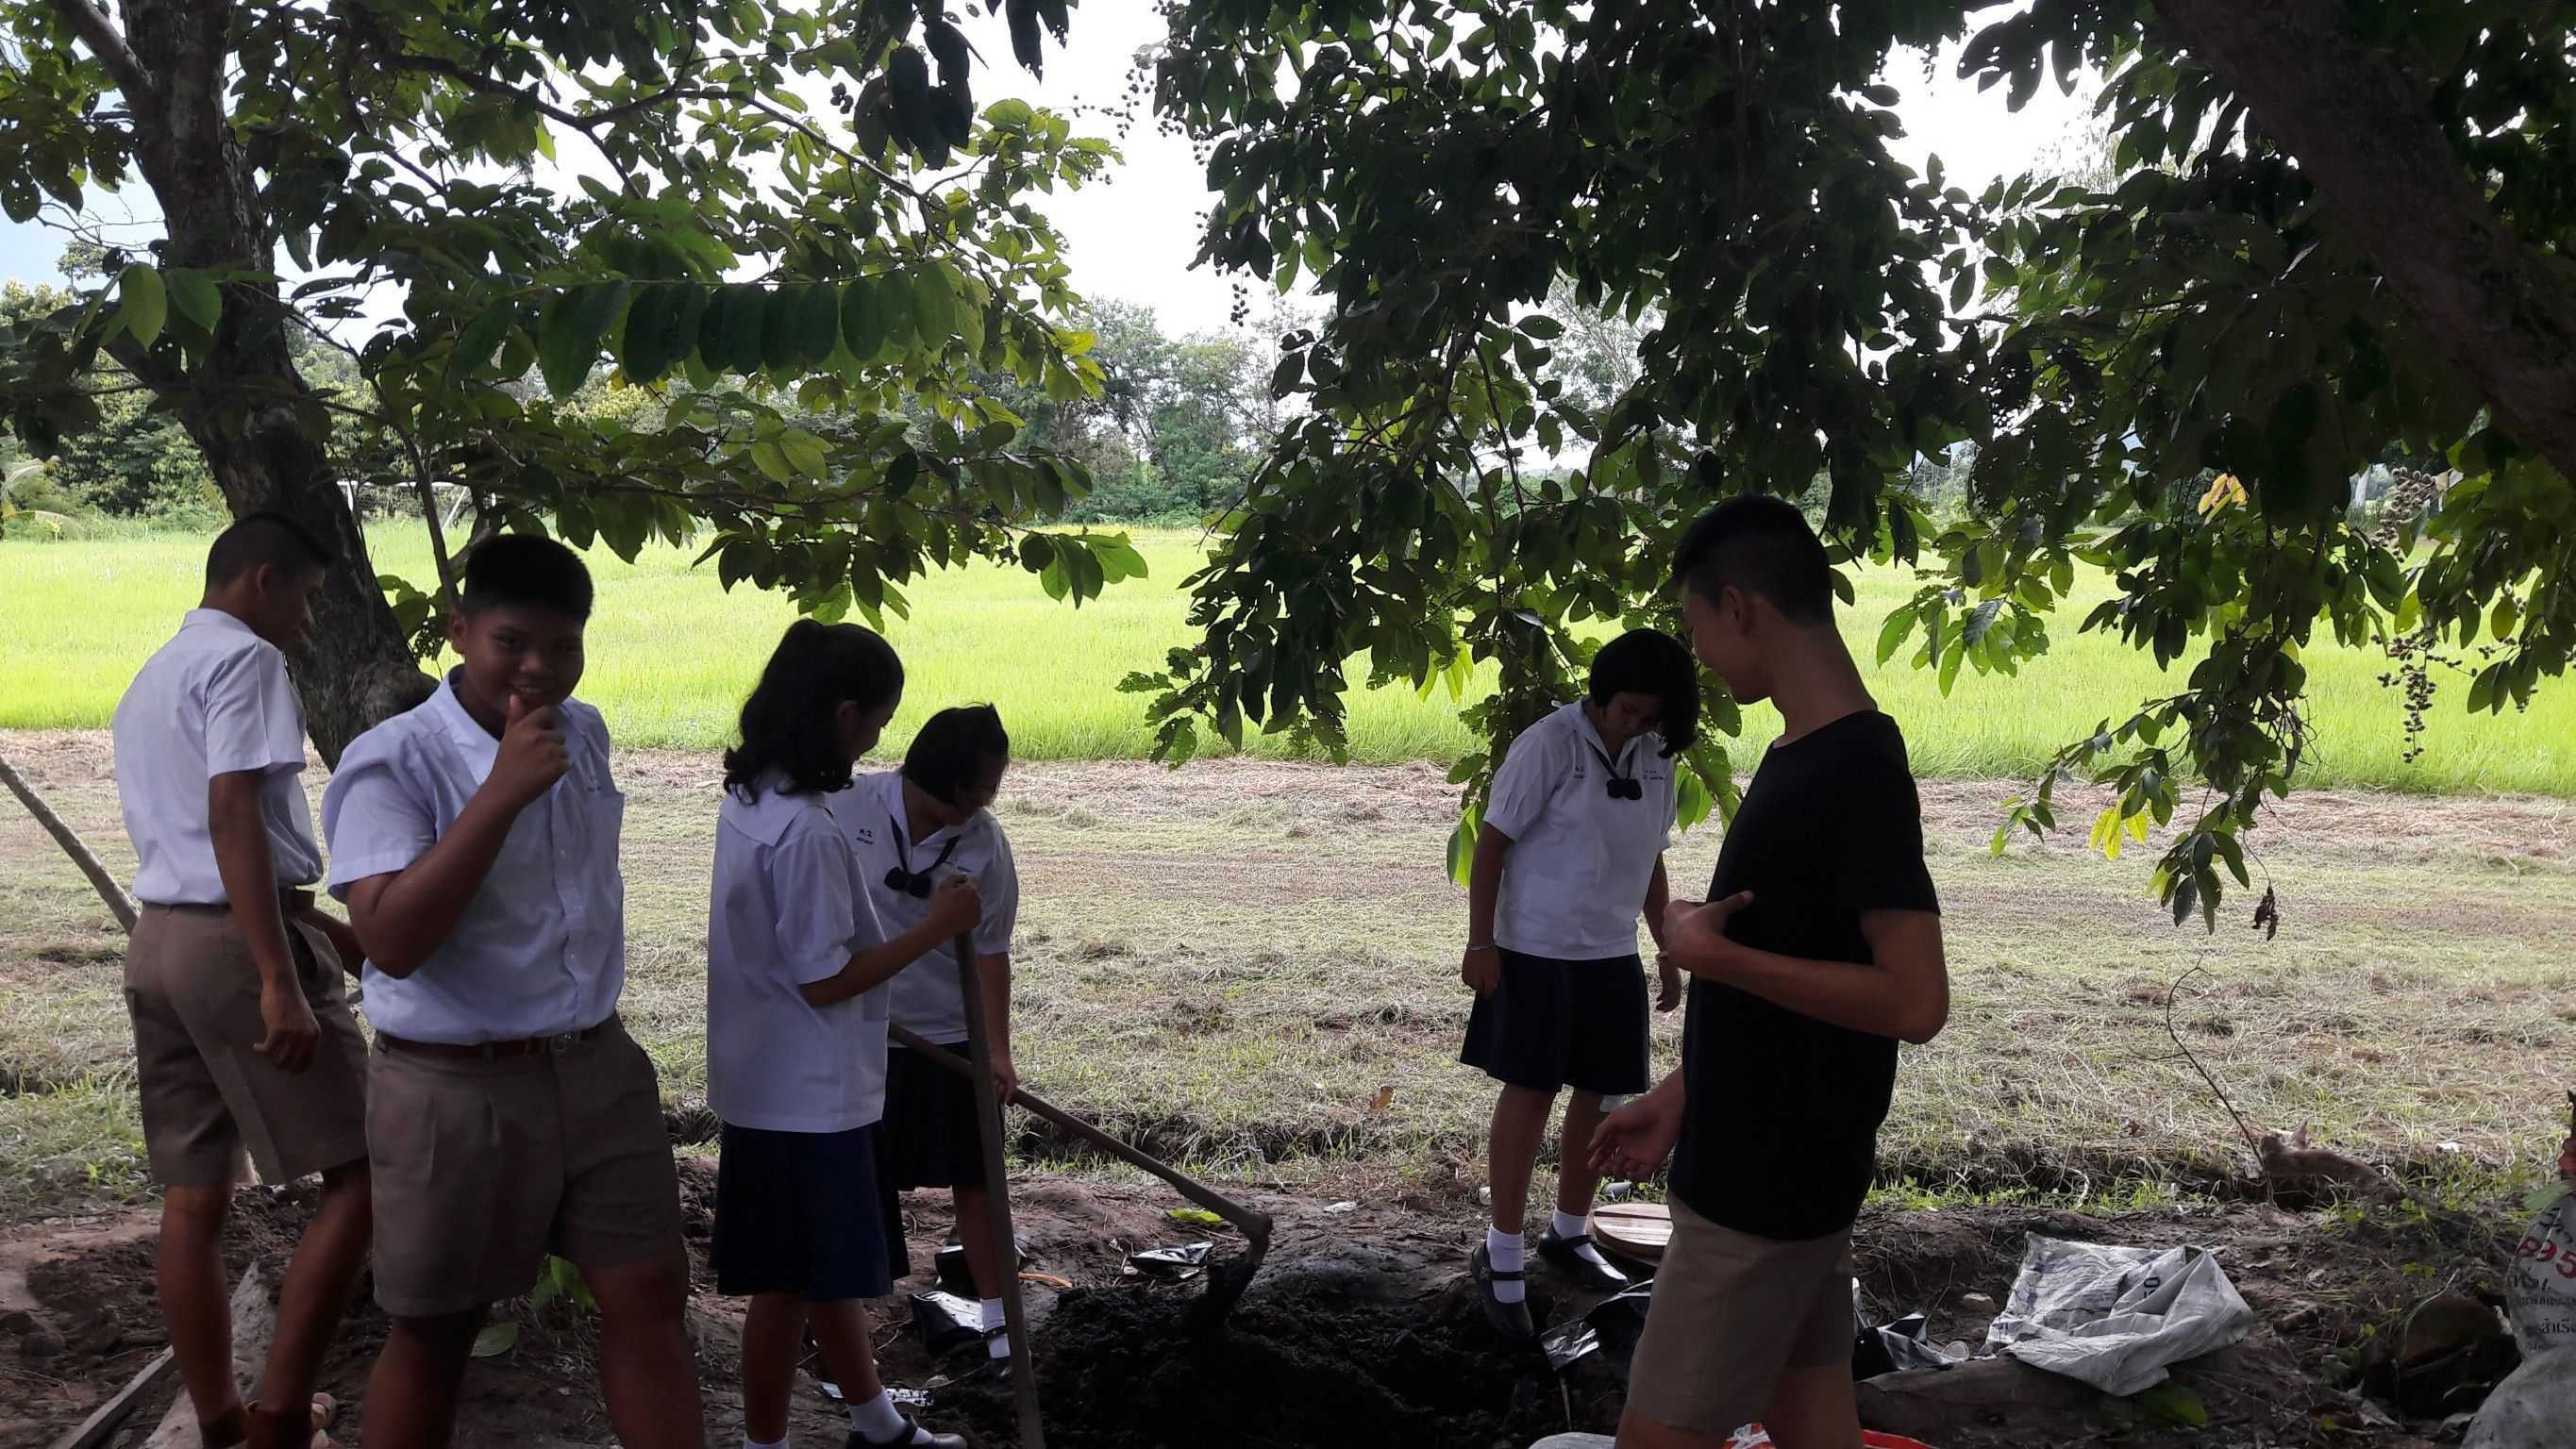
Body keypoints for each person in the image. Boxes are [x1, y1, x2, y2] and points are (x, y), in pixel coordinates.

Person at [321, 535, 701, 1449]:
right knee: (435, 1330)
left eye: (564, 646)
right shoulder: (394, 761)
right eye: (511, 642)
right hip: (455, 1088)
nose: (539, 668)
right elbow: (390, 943)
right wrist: (498, 795)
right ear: (459, 632)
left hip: (597, 1066)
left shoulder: (585, 733)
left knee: (651, 1297)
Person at [1592, 496, 1949, 1449]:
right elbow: (1796, 978)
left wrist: (1712, 954)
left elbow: (1916, 999)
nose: (1700, 656)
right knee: (1810, 1421)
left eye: (1696, 627)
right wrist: (1683, 1091)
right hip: (1785, 1170)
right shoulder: (1802, 753)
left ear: (1738, 607)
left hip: (1760, 1194)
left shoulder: (1855, 769)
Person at [110, 512, 374, 1449]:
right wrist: (277, 974)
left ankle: (222, 1420)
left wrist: (318, 930)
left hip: (160, 942)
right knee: (366, 1174)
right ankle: (282, 1420)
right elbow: (231, 814)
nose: (307, 620)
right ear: (265, 579)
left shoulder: (154, 674)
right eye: (305, 596)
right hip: (233, 948)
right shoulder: (249, 661)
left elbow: (195, 832)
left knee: (194, 1199)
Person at [709, 622, 984, 1449]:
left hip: (770, 1076)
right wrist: (935, 928)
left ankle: (878, 1425)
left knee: (820, 1268)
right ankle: (764, 1444)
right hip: (806, 1099)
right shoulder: (807, 832)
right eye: (877, 722)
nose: (878, 741)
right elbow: (824, 979)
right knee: (786, 1286)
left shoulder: (752, 797)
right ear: (842, 714)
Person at [1459, 628, 1698, 1340]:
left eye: (1652, 715)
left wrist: (1665, 947)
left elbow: (1651, 859)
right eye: (1628, 710)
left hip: (1611, 951)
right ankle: (1502, 1253)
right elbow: (1492, 845)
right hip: (1534, 948)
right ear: (1599, 696)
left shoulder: (1657, 757)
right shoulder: (1547, 745)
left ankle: (1569, 1231)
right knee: (1531, 1092)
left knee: (1601, 1096)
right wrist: (1481, 942)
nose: (1638, 725)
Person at [836, 705, 1021, 1370]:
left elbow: (991, 951)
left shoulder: (984, 842)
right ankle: (845, 1343)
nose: (990, 799)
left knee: (978, 1179)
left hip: (948, 1037)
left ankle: (1004, 1331)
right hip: (859, 1032)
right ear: (948, 782)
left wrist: (996, 1050)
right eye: (985, 785)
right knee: (858, 1184)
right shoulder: (849, 806)